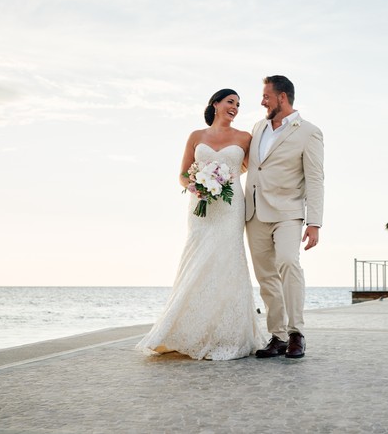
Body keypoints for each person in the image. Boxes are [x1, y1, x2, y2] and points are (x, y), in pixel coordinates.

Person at [136, 88, 263, 360]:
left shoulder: (244, 137)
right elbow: (182, 175)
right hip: (200, 208)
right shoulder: (196, 136)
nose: (235, 108)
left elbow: (251, 169)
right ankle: (186, 330)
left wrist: (221, 181)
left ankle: (227, 333)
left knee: (226, 261)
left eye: (238, 105)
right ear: (215, 104)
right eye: (230, 102)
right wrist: (199, 186)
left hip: (229, 208)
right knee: (197, 261)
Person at [245, 75, 324, 359]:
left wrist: (314, 222)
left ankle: (296, 333)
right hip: (253, 212)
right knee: (266, 276)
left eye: (266, 96)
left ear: (282, 97)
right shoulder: (257, 128)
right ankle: (277, 336)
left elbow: (315, 179)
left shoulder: (309, 132)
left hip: (288, 212)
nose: (262, 101)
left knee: (288, 262)